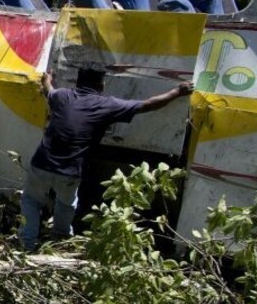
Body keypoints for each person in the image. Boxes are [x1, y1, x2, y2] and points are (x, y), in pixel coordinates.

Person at [18, 63, 192, 251]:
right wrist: (177, 92)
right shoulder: (107, 105)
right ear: (101, 85)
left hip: (41, 163)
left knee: (31, 201)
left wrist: (47, 79)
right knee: (66, 204)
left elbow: (48, 91)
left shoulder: (61, 96)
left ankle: (26, 245)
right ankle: (59, 240)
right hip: (70, 171)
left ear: (77, 81)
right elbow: (147, 105)